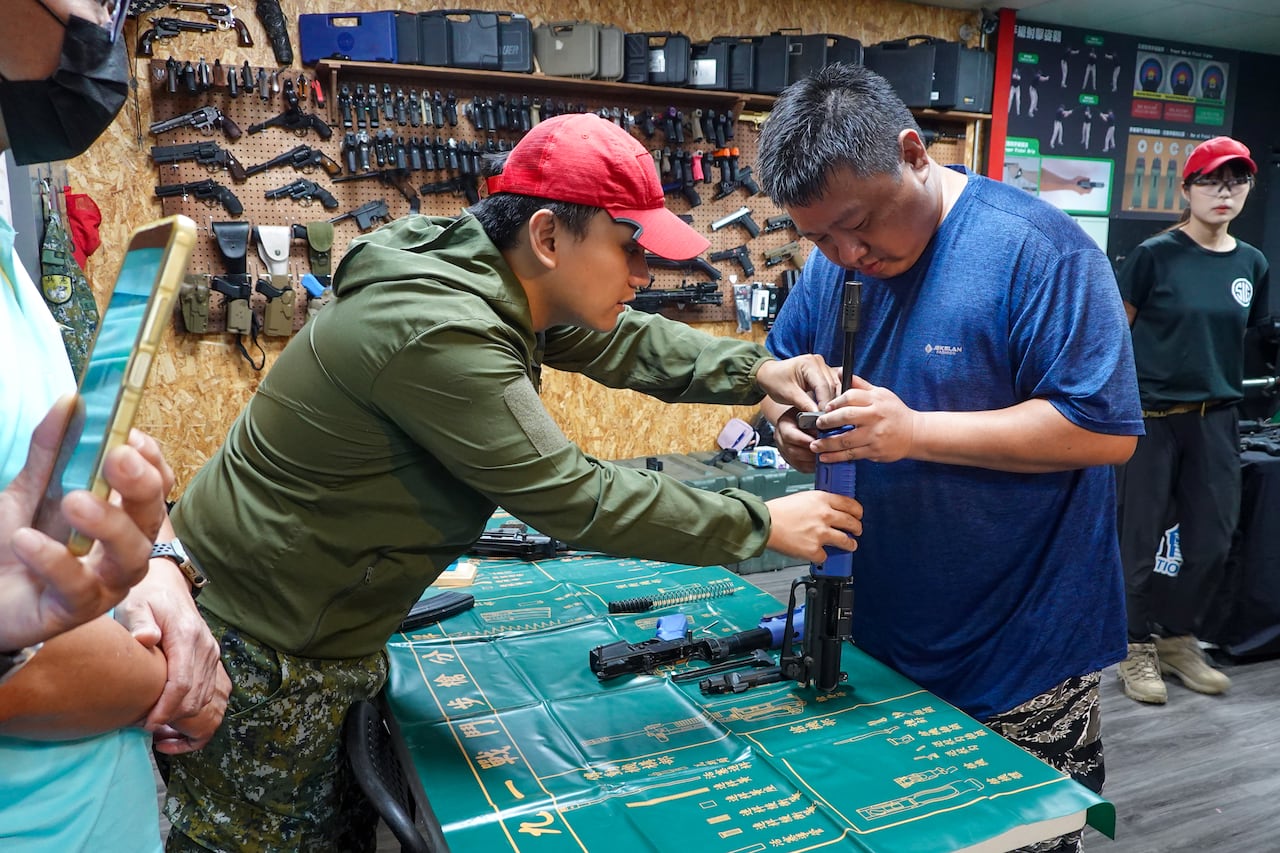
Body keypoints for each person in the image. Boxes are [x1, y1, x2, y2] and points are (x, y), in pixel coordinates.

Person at [160, 111, 864, 851]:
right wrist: (762, 525)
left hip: (310, 626)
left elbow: (622, 337)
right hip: (262, 651)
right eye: (628, 247)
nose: (643, 274)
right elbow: (573, 495)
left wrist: (755, 369)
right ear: (549, 236)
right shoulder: (443, 326)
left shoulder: (480, 271)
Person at [754, 64, 1141, 853]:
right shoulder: (835, 262)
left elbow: (1104, 431)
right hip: (879, 629)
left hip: (1021, 643)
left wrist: (915, 431)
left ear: (912, 152)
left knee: (1013, 841)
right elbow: (775, 369)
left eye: (858, 224)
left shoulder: (1039, 250)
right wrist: (786, 421)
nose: (847, 253)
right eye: (821, 236)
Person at [0, 1, 227, 849]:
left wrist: (159, 569)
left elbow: (49, 518)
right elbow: (27, 669)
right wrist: (177, 681)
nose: (110, 14)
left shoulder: (9, 215)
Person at [1114, 136, 1271, 705]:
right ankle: (1134, 649)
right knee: (1138, 542)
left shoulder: (1252, 262)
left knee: (1211, 540)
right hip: (1151, 420)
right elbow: (1113, 338)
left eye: (1237, 179)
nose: (1224, 190)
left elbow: (1244, 335)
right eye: (1210, 179)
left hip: (1217, 420)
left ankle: (1179, 640)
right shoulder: (1154, 255)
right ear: (1187, 189)